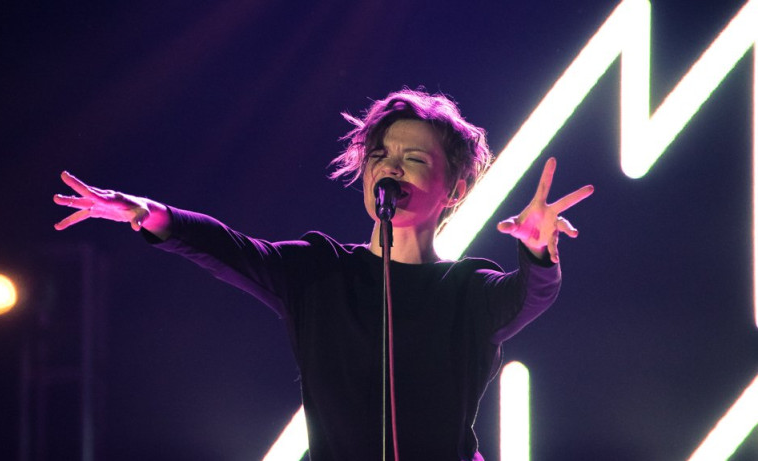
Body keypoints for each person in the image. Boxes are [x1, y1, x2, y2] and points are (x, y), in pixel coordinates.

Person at [54, 88, 593, 461]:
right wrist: (153, 215)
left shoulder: (469, 291)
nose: (390, 166)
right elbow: (232, 249)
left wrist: (538, 250)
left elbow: (530, 295)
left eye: (413, 158)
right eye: (380, 154)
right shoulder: (320, 272)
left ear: (455, 190)